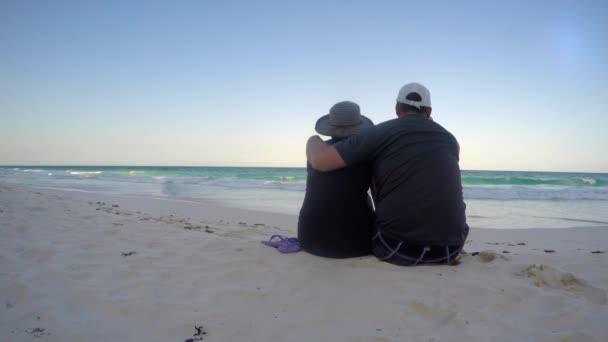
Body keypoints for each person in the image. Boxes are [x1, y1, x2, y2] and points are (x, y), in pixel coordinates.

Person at [306, 83, 469, 266]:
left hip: (397, 249)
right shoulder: (449, 139)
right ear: (429, 111)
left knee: (378, 163)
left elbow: (321, 161)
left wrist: (313, 140)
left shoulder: (381, 132)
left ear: (397, 108)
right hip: (450, 249)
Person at [298, 101, 375, 258]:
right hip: (356, 244)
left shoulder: (316, 152)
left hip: (309, 238)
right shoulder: (369, 154)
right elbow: (378, 194)